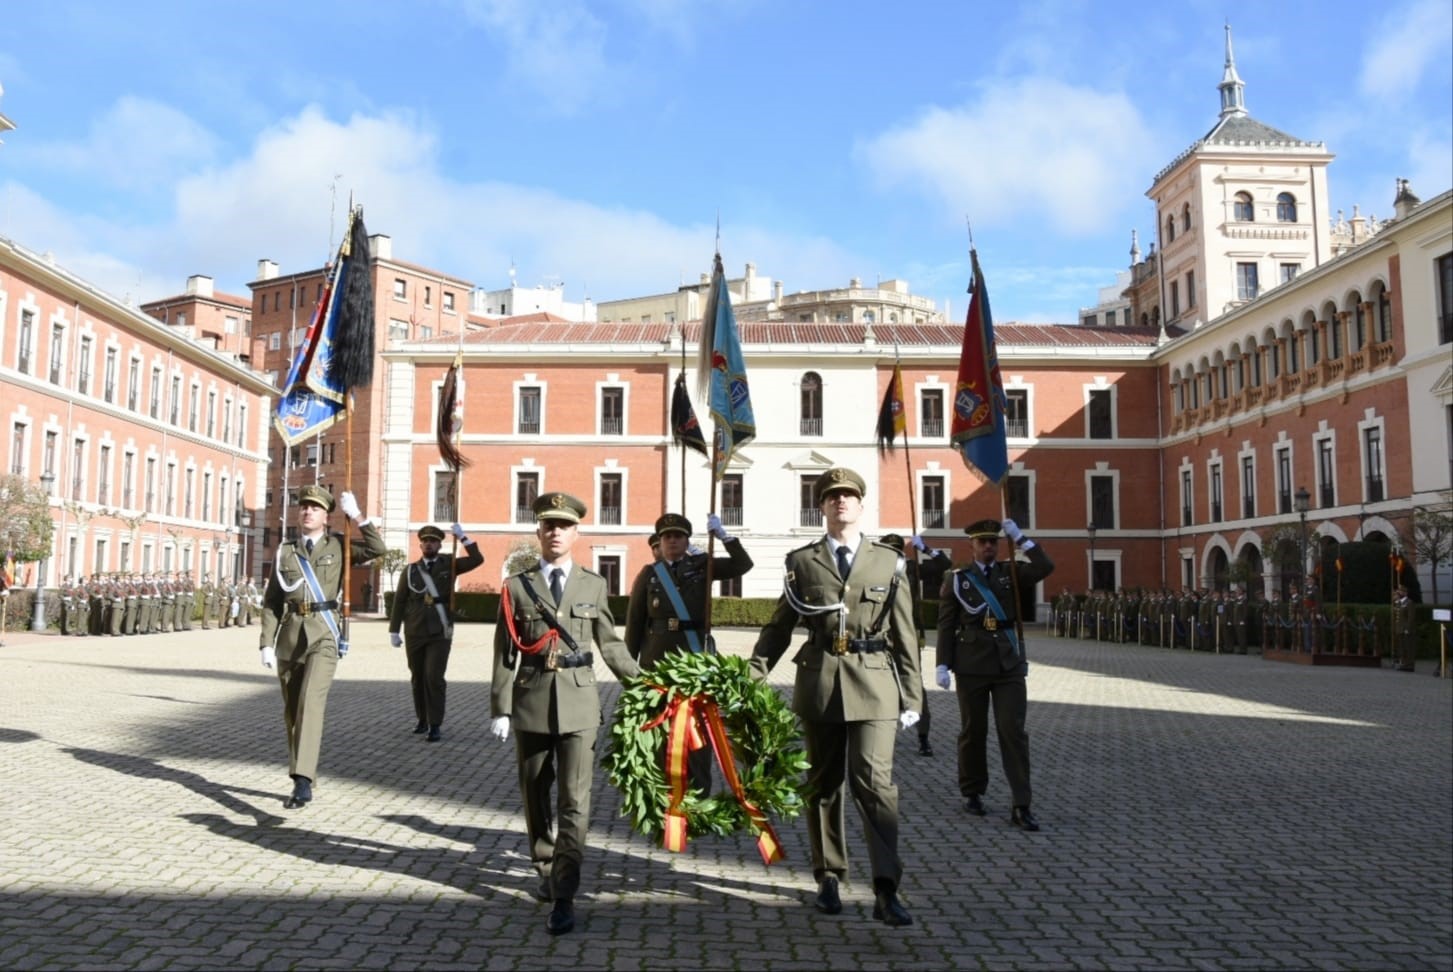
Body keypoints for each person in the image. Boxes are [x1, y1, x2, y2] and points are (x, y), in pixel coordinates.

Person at [749, 467, 922, 928]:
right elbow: (779, 627)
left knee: (875, 785)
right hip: (820, 682)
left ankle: (886, 887)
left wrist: (913, 697)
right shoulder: (801, 561)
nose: (840, 502)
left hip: (876, 685)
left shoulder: (889, 561)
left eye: (848, 496)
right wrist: (751, 674)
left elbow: (906, 635)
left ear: (862, 505)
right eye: (831, 497)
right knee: (823, 785)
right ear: (821, 507)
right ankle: (828, 875)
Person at [491, 492, 642, 937]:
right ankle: (543, 864)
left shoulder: (593, 585)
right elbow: (504, 652)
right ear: (538, 532)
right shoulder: (517, 586)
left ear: (577, 532)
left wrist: (645, 683)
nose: (555, 531)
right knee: (535, 794)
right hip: (531, 699)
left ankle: (565, 892)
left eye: (564, 525)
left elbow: (610, 643)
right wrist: (500, 707)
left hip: (578, 703)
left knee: (574, 803)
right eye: (548, 524)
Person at [258, 484, 386, 810]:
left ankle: (301, 780)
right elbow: (273, 601)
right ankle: (306, 772)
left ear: (327, 516)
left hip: (324, 636)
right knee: (292, 714)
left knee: (310, 703)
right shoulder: (286, 551)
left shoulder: (339, 546)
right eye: (304, 506)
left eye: (315, 507)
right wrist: (266, 643)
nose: (307, 511)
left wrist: (357, 514)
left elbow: (377, 549)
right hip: (290, 637)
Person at [935, 517, 1055, 831]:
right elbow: (947, 625)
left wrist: (1023, 540)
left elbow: (1044, 567)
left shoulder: (1010, 572)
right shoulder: (957, 579)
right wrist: (942, 663)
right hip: (971, 663)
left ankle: (1021, 803)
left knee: (1013, 731)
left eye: (994, 542)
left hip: (1008, 664)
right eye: (983, 542)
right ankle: (972, 791)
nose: (989, 547)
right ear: (972, 546)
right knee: (973, 730)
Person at [624, 511, 754, 791]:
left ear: (686, 540)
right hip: (656, 662)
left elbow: (743, 565)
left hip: (695, 660)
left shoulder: (703, 565)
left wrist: (725, 537)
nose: (672, 541)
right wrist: (628, 672)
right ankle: (665, 793)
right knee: (660, 727)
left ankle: (698, 792)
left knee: (699, 729)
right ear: (659, 541)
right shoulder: (649, 574)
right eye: (667, 536)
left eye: (678, 536)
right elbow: (635, 624)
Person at [389, 522, 483, 741]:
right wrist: (394, 630)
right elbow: (400, 601)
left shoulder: (449, 564)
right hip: (414, 629)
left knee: (434, 677)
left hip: (441, 630)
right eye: (425, 541)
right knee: (418, 677)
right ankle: (421, 719)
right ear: (420, 544)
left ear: (440, 544)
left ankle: (435, 723)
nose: (429, 544)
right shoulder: (410, 569)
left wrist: (463, 538)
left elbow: (478, 560)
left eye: (433, 541)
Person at [881, 532, 949, 758]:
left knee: (915, 685)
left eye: (897, 549)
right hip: (882, 636)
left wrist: (927, 549)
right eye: (889, 549)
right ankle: (883, 734)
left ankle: (923, 737)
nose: (893, 553)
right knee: (883, 686)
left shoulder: (912, 568)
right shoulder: (877, 570)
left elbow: (945, 565)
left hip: (908, 635)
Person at [1392, 587, 1416, 672]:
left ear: (1405, 593)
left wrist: (1407, 629)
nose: (1398, 594)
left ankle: (1410, 665)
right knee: (1401, 647)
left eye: (1400, 592)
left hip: (1406, 630)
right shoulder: (1399, 603)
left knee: (1408, 647)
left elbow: (1411, 618)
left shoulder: (1409, 603)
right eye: (1398, 592)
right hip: (1400, 629)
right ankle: (1403, 663)